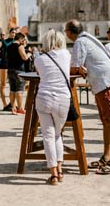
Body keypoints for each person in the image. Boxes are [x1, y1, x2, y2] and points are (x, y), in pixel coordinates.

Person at [65, 19, 110, 174]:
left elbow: (75, 67)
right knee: (106, 121)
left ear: (70, 32)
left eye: (65, 31)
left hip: (105, 82)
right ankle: (106, 157)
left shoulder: (80, 42)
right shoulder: (88, 38)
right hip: (104, 82)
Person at [34, 29, 71, 186]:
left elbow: (40, 74)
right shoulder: (67, 55)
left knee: (48, 136)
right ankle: (61, 170)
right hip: (63, 99)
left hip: (44, 98)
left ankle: (54, 173)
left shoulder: (40, 59)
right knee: (57, 135)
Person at [7, 32, 32, 115]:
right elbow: (24, 58)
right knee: (20, 90)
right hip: (19, 70)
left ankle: (13, 108)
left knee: (12, 90)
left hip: (10, 70)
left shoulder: (9, 46)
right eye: (23, 39)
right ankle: (20, 108)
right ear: (20, 39)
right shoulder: (20, 46)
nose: (24, 41)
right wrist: (29, 53)